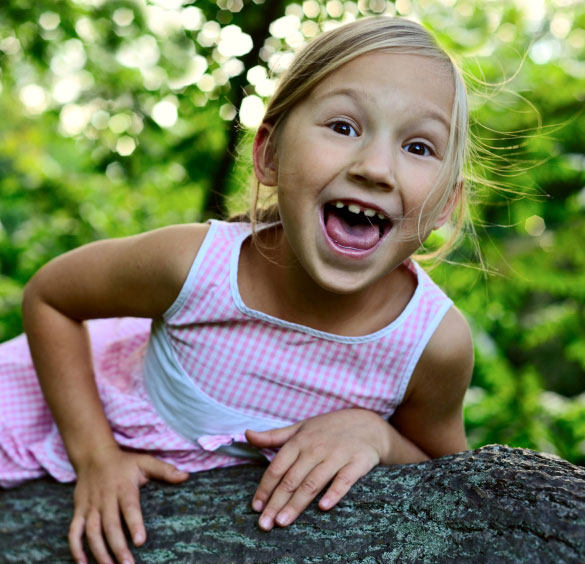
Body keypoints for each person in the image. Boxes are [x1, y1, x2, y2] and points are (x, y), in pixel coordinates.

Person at [0, 15, 475, 564]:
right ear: (269, 154)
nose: (375, 168)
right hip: (63, 412)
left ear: (445, 204)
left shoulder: (430, 344)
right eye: (344, 127)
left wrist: (377, 438)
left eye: (418, 147)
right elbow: (51, 297)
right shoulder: (191, 266)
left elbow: (447, 476)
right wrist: (96, 457)